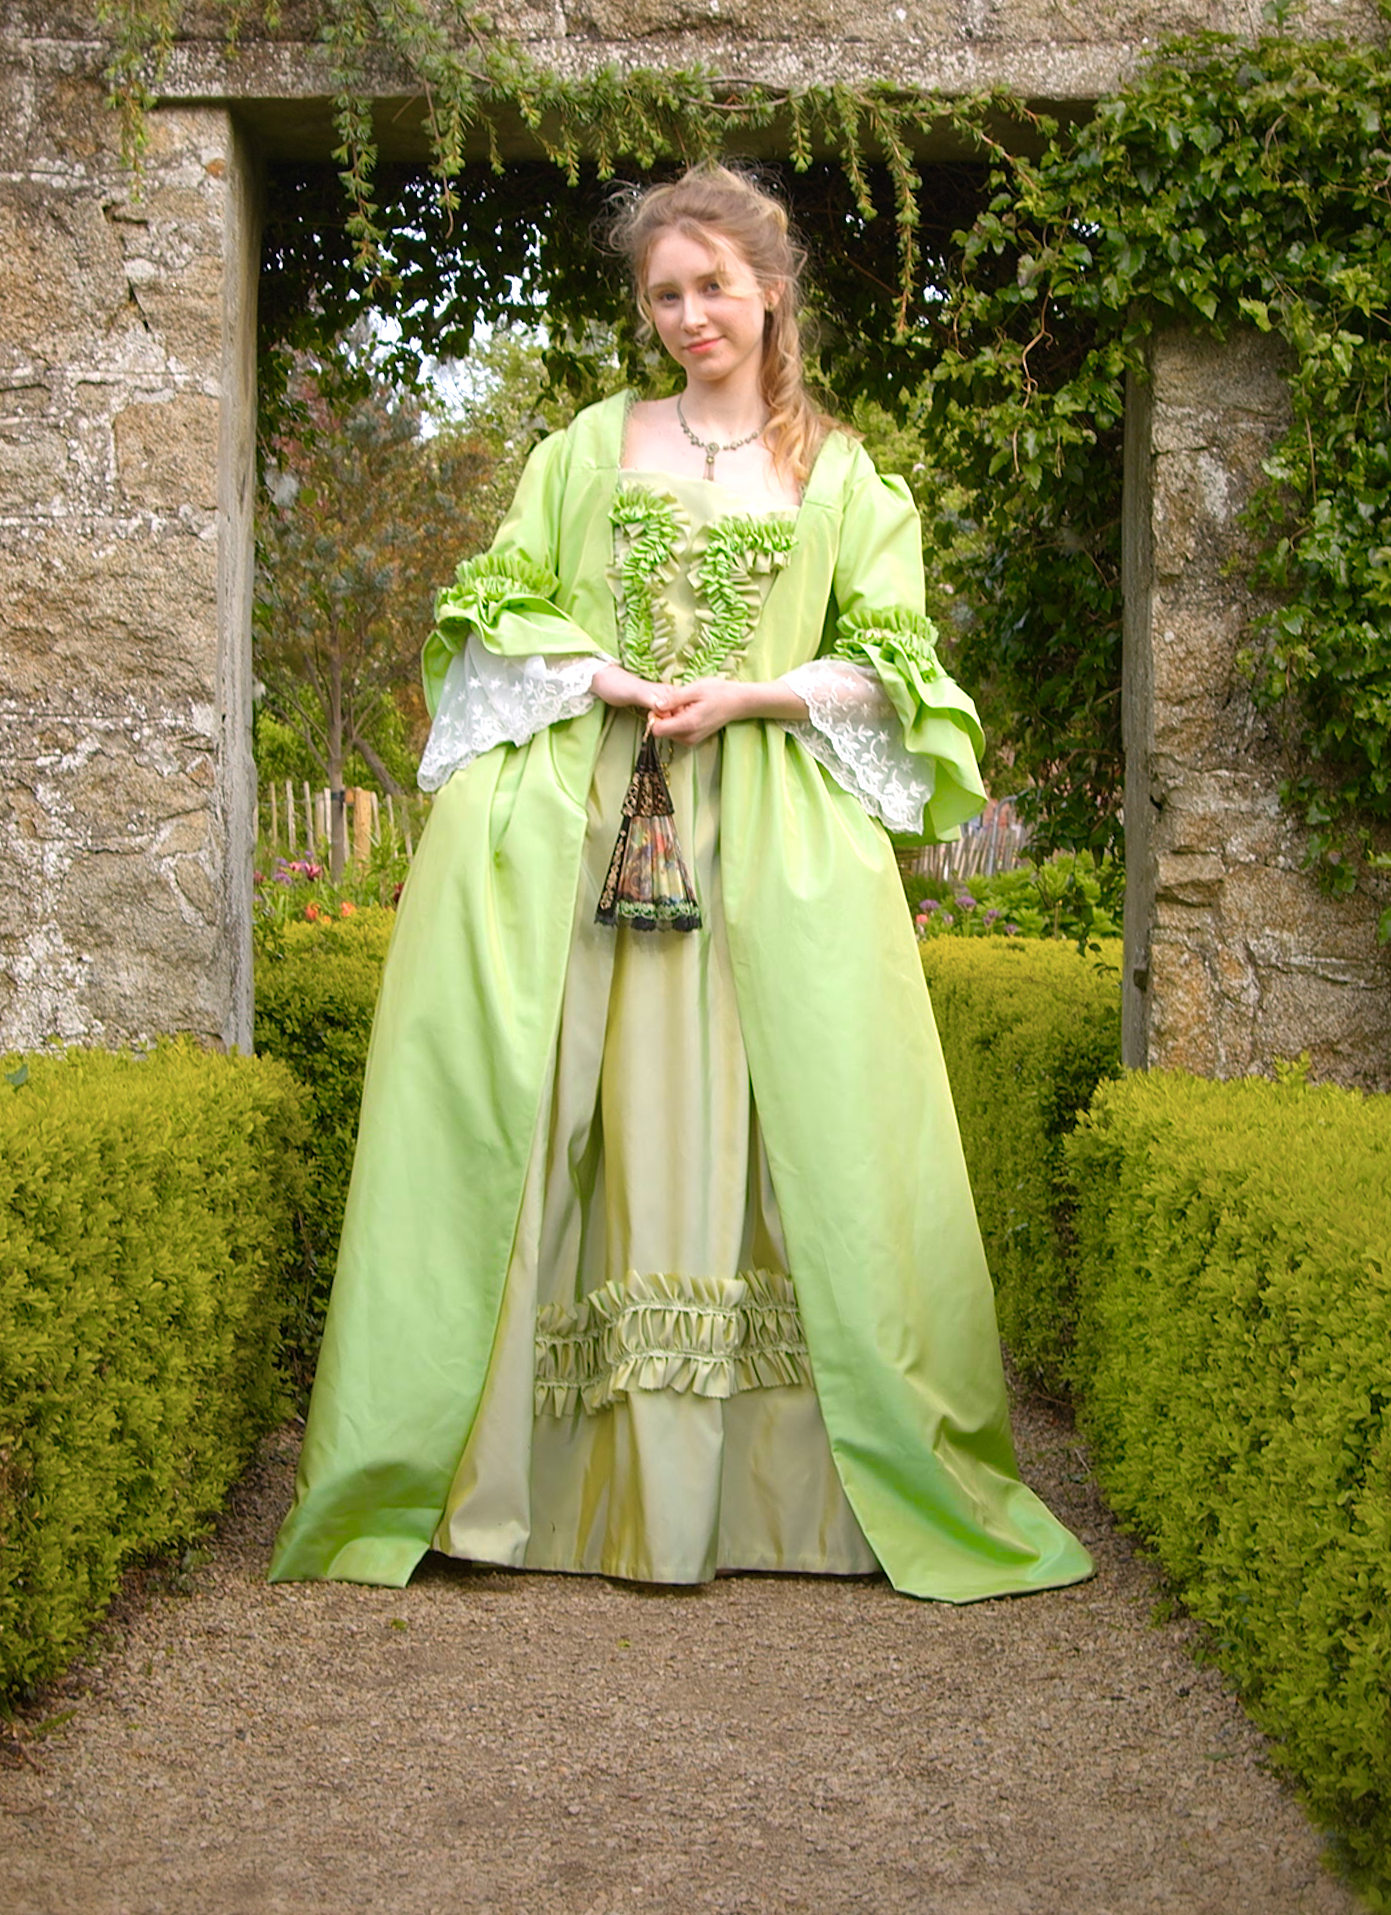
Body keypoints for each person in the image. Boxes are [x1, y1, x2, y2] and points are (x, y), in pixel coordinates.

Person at [267, 164, 1091, 1603]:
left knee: (800, 1129)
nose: (690, 314)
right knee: (556, 1103)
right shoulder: (588, 448)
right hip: (585, 829)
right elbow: (496, 602)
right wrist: (608, 675)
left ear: (773, 288)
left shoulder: (845, 476)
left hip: (773, 846)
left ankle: (791, 1496)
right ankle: (520, 1486)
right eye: (664, 292)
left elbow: (894, 663)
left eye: (715, 285)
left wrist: (757, 694)